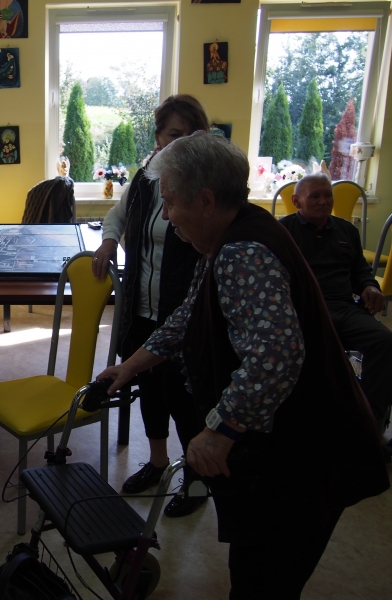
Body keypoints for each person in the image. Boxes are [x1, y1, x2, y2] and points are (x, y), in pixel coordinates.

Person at [98, 133, 389, 598]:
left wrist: (220, 430)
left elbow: (276, 356)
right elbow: (190, 314)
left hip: (308, 455)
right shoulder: (231, 234)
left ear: (206, 200)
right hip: (296, 446)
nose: (166, 216)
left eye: (170, 202)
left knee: (263, 581)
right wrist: (131, 365)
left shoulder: (242, 252)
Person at [92, 94, 210, 517]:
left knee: (184, 397)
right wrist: (109, 242)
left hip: (182, 311)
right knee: (151, 391)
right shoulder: (144, 179)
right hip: (141, 308)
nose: (181, 142)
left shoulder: (202, 185)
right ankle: (158, 463)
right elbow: (116, 215)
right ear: (158, 137)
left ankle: (197, 481)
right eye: (174, 134)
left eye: (190, 135)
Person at [279, 173, 392, 454]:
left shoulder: (346, 231)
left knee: (384, 342)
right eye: (315, 196)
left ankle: (369, 428)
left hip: (344, 306)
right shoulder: (283, 231)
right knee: (311, 350)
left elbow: (360, 271)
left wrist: (369, 286)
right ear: (297, 201)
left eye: (327, 195)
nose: (323, 201)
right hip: (304, 310)